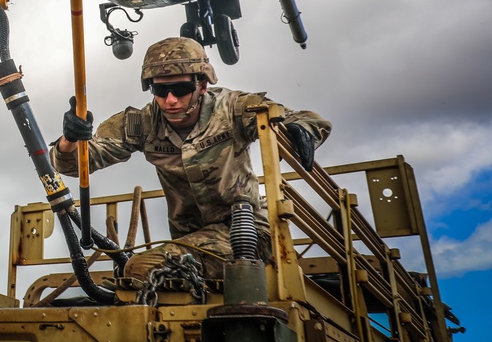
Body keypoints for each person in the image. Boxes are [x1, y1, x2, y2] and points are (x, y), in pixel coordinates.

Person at [50, 37, 331, 284]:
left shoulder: (233, 108)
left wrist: (303, 131)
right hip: (188, 242)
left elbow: (303, 119)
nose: (170, 100)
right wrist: (70, 140)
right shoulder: (142, 123)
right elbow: (74, 164)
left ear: (202, 85)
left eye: (180, 89)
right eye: (161, 91)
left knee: (139, 269)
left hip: (245, 235)